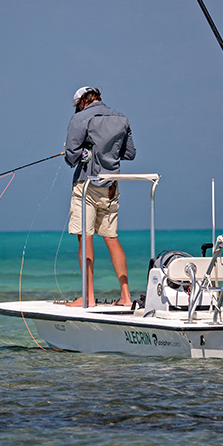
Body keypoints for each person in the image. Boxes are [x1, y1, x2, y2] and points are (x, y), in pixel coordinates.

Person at [64, 86, 136, 307]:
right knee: (111, 238)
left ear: (82, 102)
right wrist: (106, 153)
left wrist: (85, 153)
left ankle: (88, 297)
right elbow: (130, 154)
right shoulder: (121, 118)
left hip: (86, 186)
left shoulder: (80, 119)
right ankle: (125, 297)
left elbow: (71, 158)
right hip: (111, 186)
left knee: (85, 238)